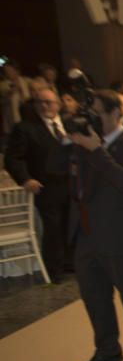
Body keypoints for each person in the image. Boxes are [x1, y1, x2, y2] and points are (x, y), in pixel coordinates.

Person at [67, 90, 123, 361]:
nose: (92, 119)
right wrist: (73, 139)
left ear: (116, 114)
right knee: (94, 297)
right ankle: (107, 349)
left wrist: (95, 150)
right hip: (87, 234)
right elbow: (56, 171)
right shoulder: (85, 143)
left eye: (98, 114)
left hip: (120, 235)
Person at [4, 85, 71, 280]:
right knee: (53, 228)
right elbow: (13, 158)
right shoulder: (25, 128)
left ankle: (73, 263)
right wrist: (25, 179)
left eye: (48, 102)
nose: (44, 106)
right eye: (39, 102)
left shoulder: (69, 124)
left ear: (58, 104)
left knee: (72, 225)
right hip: (46, 186)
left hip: (73, 185)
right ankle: (55, 269)